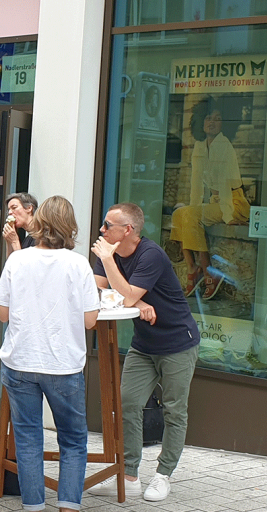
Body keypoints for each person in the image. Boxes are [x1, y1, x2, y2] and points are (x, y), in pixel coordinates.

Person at [88, 202, 200, 502]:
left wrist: (128, 295)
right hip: (144, 344)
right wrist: (137, 304)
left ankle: (163, 475)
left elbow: (125, 294)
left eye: (107, 225)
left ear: (127, 231)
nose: (101, 230)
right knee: (127, 403)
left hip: (177, 342)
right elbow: (97, 292)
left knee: (174, 409)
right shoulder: (108, 254)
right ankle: (129, 475)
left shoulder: (150, 255)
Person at [0, 195, 100, 512]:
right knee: (72, 440)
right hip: (63, 365)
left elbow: (2, 313)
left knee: (27, 439)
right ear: (70, 227)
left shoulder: (18, 260)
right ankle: (68, 507)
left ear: (38, 222)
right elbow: (90, 320)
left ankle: (33, 506)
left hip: (21, 360)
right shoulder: (78, 263)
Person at [169, 99, 249, 298]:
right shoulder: (199, 146)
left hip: (232, 202)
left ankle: (207, 272)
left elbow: (225, 183)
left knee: (190, 215)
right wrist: (194, 208)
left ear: (224, 124)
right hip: (214, 203)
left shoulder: (225, 146)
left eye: (218, 119)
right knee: (181, 214)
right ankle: (191, 268)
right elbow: (196, 184)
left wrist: (229, 216)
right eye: (207, 118)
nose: (211, 122)